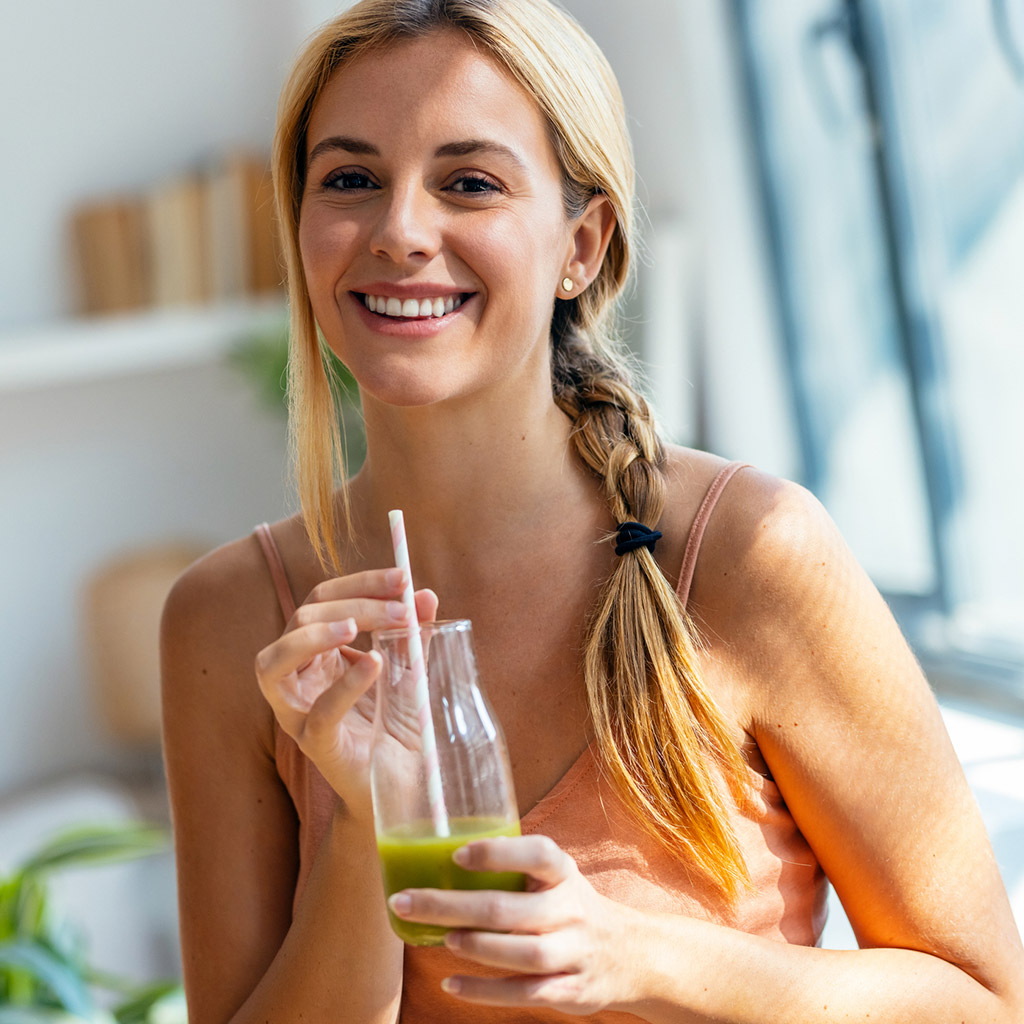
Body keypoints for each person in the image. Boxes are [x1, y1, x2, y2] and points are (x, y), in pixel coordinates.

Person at [159, 0, 1024, 1020]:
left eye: (469, 183)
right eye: (350, 180)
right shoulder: (228, 622)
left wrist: (642, 957)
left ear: (582, 242)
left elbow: (985, 1001)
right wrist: (365, 828)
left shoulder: (752, 554)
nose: (399, 232)